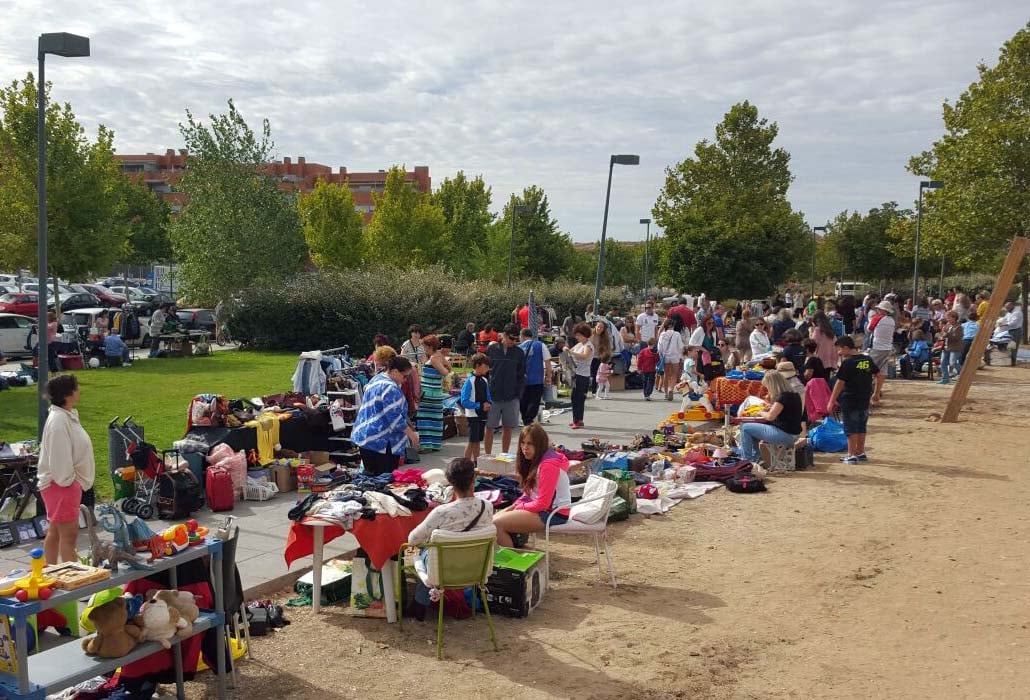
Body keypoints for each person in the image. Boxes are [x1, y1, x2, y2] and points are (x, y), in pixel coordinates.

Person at [407, 457, 493, 619]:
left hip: (444, 571)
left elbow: (413, 539)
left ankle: (420, 603)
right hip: (476, 569)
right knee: (436, 549)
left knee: (425, 550)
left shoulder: (442, 512)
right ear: (474, 478)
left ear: (450, 482)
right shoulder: (487, 506)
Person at [38, 374, 95, 564]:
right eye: (76, 387)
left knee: (55, 531)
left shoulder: (64, 416)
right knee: (68, 536)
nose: (79, 390)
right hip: (62, 485)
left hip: (63, 485)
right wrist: (70, 482)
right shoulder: (58, 422)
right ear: (68, 394)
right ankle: (69, 577)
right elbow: (60, 457)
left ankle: (51, 571)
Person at [492, 424, 571, 548]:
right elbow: (529, 493)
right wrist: (514, 506)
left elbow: (543, 503)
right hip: (541, 508)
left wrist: (520, 507)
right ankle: (505, 557)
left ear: (540, 445)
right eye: (522, 443)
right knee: (492, 521)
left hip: (553, 513)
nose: (525, 448)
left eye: (530, 444)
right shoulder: (536, 459)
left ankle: (511, 564)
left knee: (496, 524)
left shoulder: (548, 465)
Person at [352, 356, 420, 475]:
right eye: (405, 376)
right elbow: (394, 419)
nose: (405, 380)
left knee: (370, 479)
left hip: (366, 437)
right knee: (383, 480)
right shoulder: (390, 387)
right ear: (394, 371)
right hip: (381, 442)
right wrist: (412, 436)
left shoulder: (376, 379)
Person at [827, 336, 878, 464]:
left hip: (849, 399)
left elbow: (840, 383)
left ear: (846, 348)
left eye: (839, 350)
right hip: (864, 399)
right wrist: (876, 392)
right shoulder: (867, 359)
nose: (838, 353)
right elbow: (880, 374)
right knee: (861, 427)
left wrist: (831, 400)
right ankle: (860, 453)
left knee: (850, 428)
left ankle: (851, 455)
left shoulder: (848, 363)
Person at [736, 371, 803, 467]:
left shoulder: (783, 397)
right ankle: (756, 458)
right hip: (793, 434)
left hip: (785, 435)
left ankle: (747, 461)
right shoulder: (794, 395)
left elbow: (770, 417)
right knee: (751, 429)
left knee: (745, 428)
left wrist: (760, 412)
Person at [484, 324, 526, 456]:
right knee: (490, 427)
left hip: (511, 396)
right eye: (511, 339)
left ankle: (504, 456)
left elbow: (521, 374)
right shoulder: (491, 349)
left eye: (516, 340)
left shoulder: (519, 352)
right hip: (493, 395)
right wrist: (485, 393)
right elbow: (484, 371)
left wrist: (518, 394)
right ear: (504, 335)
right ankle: (488, 456)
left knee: (508, 428)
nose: (514, 342)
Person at [415, 335, 450, 452]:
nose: (423, 348)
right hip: (436, 392)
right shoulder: (439, 355)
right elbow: (449, 367)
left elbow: (445, 372)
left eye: (425, 346)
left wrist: (440, 372)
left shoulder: (434, 358)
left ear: (429, 346)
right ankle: (435, 444)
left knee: (424, 418)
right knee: (435, 419)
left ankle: (426, 446)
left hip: (429, 393)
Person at [461, 354, 492, 463]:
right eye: (486, 366)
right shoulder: (469, 381)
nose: (488, 368)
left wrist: (489, 403)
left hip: (482, 415)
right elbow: (464, 401)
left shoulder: (485, 380)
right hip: (473, 415)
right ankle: (465, 463)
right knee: (472, 441)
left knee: (478, 441)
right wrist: (479, 405)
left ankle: (476, 463)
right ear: (478, 365)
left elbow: (488, 396)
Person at [519, 327, 551, 425]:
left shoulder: (518, 348)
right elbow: (547, 362)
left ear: (522, 336)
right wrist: (548, 376)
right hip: (537, 379)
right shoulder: (541, 345)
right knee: (534, 400)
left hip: (522, 380)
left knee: (523, 401)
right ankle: (529, 420)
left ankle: (525, 419)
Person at [867, 301, 896, 404]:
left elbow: (869, 328)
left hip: (876, 347)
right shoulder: (892, 321)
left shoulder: (877, 318)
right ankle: (877, 393)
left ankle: (868, 393)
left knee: (868, 369)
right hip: (887, 348)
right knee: (882, 371)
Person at [568, 323, 594, 429]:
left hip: (583, 375)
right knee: (574, 397)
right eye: (576, 335)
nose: (577, 337)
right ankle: (576, 419)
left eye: (579, 335)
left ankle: (578, 420)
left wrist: (570, 352)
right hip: (576, 373)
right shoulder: (579, 345)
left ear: (584, 335)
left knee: (579, 398)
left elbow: (584, 356)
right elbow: (571, 351)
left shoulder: (588, 345)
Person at [657, 318, 685, 401]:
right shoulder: (676, 334)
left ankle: (665, 393)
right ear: (673, 325)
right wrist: (681, 356)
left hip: (665, 357)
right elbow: (680, 346)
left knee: (666, 374)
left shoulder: (662, 334)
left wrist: (661, 355)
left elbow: (659, 347)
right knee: (674, 374)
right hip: (675, 356)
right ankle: (671, 390)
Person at [938, 310, 963, 385]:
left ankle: (961, 373)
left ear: (954, 318)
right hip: (946, 347)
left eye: (949, 318)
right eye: (947, 318)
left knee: (953, 363)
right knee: (943, 363)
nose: (948, 319)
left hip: (955, 347)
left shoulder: (959, 327)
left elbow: (957, 338)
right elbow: (943, 334)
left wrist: (947, 334)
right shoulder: (947, 325)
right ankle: (945, 378)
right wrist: (942, 335)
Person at [588, 320, 612, 397]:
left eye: (601, 327)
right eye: (598, 326)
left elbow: (608, 348)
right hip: (588, 356)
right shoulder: (590, 334)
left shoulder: (605, 337)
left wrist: (607, 357)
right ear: (595, 326)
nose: (599, 328)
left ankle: (594, 391)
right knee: (589, 374)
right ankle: (587, 389)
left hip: (598, 357)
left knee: (596, 374)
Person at [996, 301, 1024, 366]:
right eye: (1006, 308)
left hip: (1016, 331)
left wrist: (1004, 324)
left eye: (1008, 308)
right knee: (1008, 346)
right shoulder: (1009, 312)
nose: (1006, 309)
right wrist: (999, 321)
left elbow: (1014, 322)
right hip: (1009, 331)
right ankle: (1009, 360)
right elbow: (1004, 319)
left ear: (1011, 306)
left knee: (1013, 346)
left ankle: (1013, 362)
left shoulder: (1017, 312)